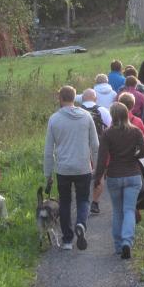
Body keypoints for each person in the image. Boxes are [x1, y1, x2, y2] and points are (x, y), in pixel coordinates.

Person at [44, 85, 100, 251]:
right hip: (83, 167)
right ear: (75, 98)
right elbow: (95, 145)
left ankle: (67, 240)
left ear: (60, 98)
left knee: (65, 202)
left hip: (63, 169)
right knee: (83, 199)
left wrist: (48, 173)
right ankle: (81, 223)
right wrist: (97, 167)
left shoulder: (54, 119)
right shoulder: (86, 117)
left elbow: (48, 150)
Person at [93, 102, 144, 259]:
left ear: (112, 115)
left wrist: (98, 178)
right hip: (133, 175)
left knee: (117, 211)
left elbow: (102, 159)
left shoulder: (107, 134)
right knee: (129, 210)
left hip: (114, 175)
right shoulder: (135, 131)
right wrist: (135, 156)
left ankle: (118, 246)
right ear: (126, 114)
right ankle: (127, 242)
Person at [80, 88, 112, 214]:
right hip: (100, 147)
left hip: (81, 147)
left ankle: (82, 201)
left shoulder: (76, 111)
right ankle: (95, 202)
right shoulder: (103, 111)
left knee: (82, 175)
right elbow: (110, 128)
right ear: (96, 98)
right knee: (100, 175)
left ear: (82, 99)